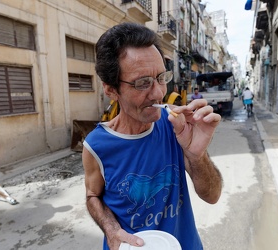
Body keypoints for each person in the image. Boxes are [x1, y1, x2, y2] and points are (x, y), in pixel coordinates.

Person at [82, 22, 223, 250]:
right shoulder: (96, 145)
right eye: (142, 83)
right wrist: (111, 229)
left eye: (160, 77)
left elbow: (212, 196)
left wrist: (197, 155)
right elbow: (92, 196)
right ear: (111, 90)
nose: (158, 92)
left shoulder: (174, 127)